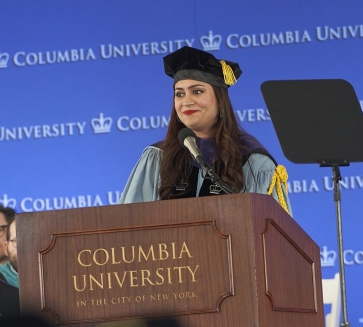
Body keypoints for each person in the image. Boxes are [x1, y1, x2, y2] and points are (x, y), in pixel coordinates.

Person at [118, 46, 290, 214]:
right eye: (179, 94)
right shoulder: (157, 157)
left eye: (197, 91)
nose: (187, 101)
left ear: (220, 100)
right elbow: (129, 228)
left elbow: (272, 232)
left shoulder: (253, 160)